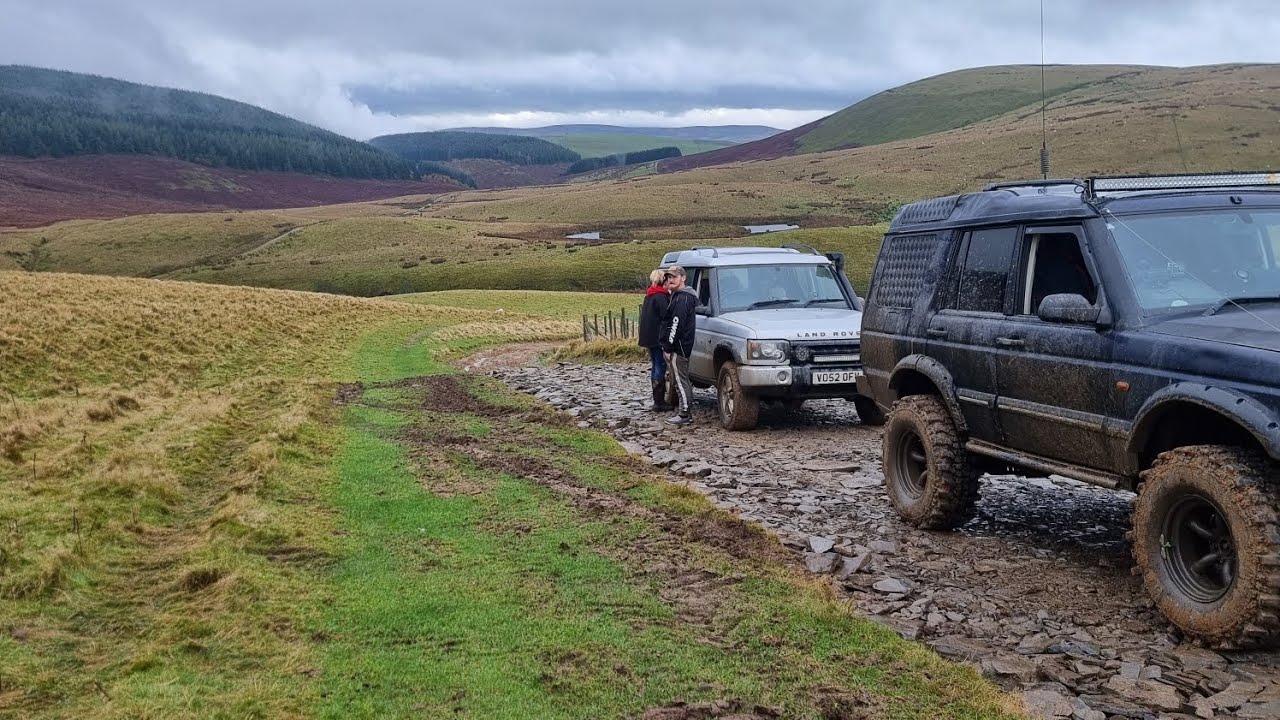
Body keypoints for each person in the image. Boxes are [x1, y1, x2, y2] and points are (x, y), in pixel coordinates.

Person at [659, 265, 698, 426]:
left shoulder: (682, 298)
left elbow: (676, 324)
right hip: (680, 345)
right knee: (681, 379)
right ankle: (684, 411)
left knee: (681, 380)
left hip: (679, 347)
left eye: (674, 277)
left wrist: (669, 347)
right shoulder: (680, 296)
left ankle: (684, 414)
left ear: (683, 278)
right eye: (668, 277)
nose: (671, 280)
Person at [638, 268, 672, 412]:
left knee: (655, 365)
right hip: (658, 337)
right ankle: (659, 401)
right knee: (660, 365)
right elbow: (666, 317)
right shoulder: (661, 297)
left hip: (648, 337)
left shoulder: (649, 296)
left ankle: (657, 399)